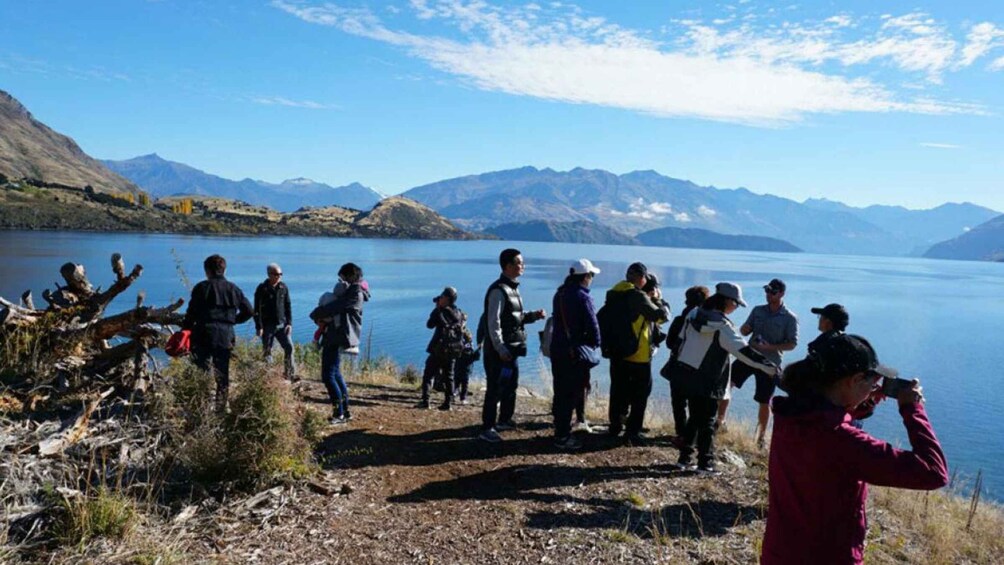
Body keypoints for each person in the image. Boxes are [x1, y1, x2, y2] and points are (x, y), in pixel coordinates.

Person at [762, 334, 948, 564]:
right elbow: (933, 472)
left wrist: (856, 404)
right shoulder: (844, 442)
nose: (874, 389)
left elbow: (820, 419)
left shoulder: (789, 414)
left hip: (780, 552)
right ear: (855, 379)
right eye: (871, 383)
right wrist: (912, 409)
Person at [673, 282, 776, 473]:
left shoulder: (693, 314)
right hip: (708, 377)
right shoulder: (722, 326)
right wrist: (770, 368)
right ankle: (706, 463)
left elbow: (680, 340)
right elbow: (744, 351)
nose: (736, 308)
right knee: (708, 421)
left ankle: (684, 459)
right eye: (736, 303)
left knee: (694, 418)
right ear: (727, 301)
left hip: (686, 373)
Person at [477, 248, 546, 443]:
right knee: (495, 388)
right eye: (519, 263)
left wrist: (533, 316)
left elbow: (515, 319)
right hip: (500, 351)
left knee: (510, 385)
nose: (522, 266)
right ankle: (487, 428)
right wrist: (500, 348)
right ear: (508, 266)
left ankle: (504, 420)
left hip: (511, 349)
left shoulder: (513, 288)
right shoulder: (498, 290)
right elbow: (493, 322)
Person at [722, 278, 799, 448]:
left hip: (770, 363)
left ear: (782, 294)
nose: (768, 294)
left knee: (764, 400)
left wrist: (770, 346)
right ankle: (720, 422)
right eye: (767, 291)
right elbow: (743, 329)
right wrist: (745, 330)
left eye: (772, 292)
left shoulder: (789, 318)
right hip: (748, 356)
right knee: (726, 384)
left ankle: (761, 438)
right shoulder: (757, 311)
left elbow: (792, 344)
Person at [603, 262, 671, 445]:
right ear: (641, 278)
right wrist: (657, 300)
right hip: (638, 354)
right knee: (640, 394)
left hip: (617, 352)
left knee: (618, 390)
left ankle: (615, 425)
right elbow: (661, 316)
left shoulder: (614, 293)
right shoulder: (637, 296)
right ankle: (633, 432)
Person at [182, 254, 254, 407]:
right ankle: (220, 409)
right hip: (225, 334)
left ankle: (201, 406)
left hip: (203, 332)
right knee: (222, 374)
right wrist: (233, 321)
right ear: (224, 269)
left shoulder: (201, 288)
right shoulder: (234, 289)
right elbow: (249, 311)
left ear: (207, 270)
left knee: (201, 370)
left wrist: (185, 331)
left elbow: (191, 313)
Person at [549, 258, 602, 450]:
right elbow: (592, 324)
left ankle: (560, 428)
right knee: (571, 394)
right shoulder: (583, 297)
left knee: (561, 391)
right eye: (592, 275)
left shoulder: (560, 294)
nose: (592, 279)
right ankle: (563, 436)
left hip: (558, 349)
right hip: (574, 352)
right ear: (585, 276)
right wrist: (595, 344)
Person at [310, 262, 370, 425]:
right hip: (337, 334)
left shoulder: (354, 292)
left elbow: (335, 307)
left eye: (341, 277)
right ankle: (345, 411)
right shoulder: (353, 290)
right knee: (335, 373)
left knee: (328, 375)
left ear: (350, 276)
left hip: (338, 335)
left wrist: (315, 313)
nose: (340, 281)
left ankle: (339, 414)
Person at [661, 285, 711, 441]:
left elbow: (669, 343)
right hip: (696, 367)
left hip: (677, 365)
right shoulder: (706, 322)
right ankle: (692, 436)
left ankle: (681, 432)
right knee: (695, 404)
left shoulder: (679, 320)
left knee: (678, 402)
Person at [419, 287, 465, 411]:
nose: (440, 298)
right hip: (453, 349)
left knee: (428, 374)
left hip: (439, 349)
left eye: (442, 296)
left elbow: (429, 325)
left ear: (447, 298)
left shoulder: (441, 311)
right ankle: (448, 403)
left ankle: (425, 401)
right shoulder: (458, 312)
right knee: (449, 376)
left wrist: (437, 310)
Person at [254, 263, 297, 381]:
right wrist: (259, 326)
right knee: (267, 351)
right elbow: (257, 309)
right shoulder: (262, 289)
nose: (279, 276)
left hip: (282, 325)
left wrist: (289, 323)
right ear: (269, 274)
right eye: (276, 274)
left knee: (289, 348)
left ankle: (290, 374)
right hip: (267, 326)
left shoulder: (283, 287)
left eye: (280, 274)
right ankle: (269, 376)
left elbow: (288, 306)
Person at [453, 313, 478, 405]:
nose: (462, 322)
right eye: (461, 320)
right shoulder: (454, 331)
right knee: (456, 378)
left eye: (464, 320)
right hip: (457, 358)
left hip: (466, 360)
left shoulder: (467, 332)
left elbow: (470, 346)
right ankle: (454, 393)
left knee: (465, 380)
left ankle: (463, 397)